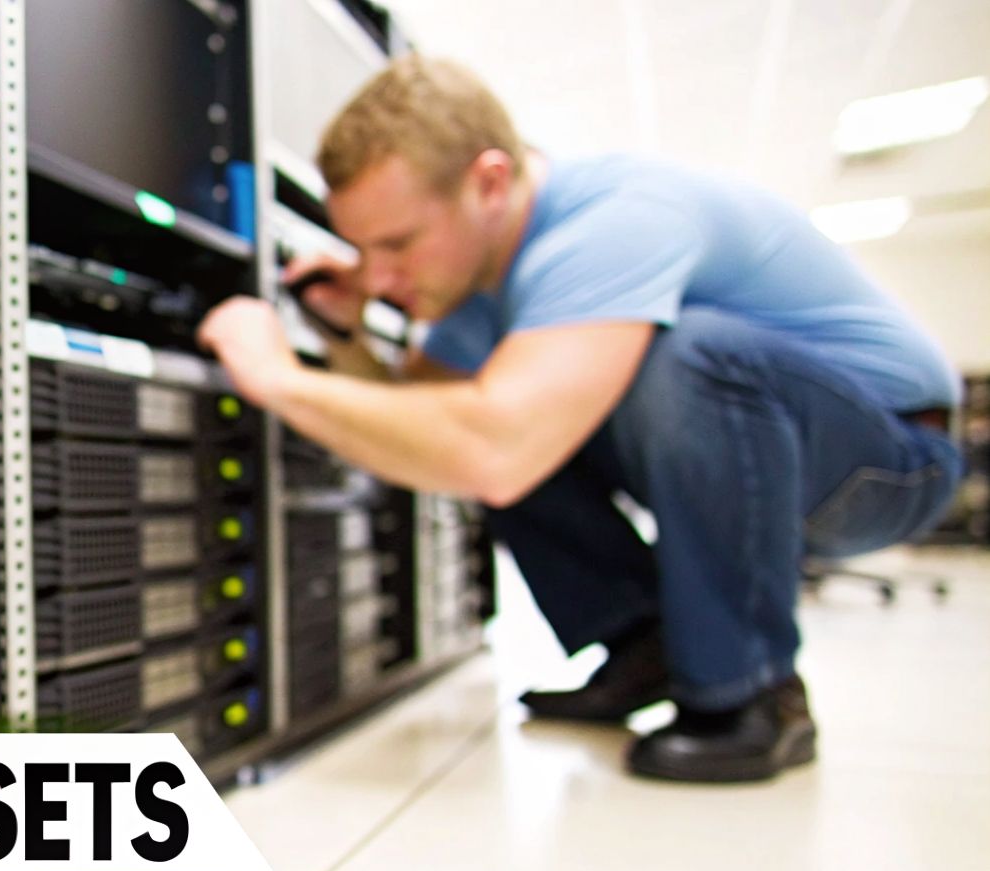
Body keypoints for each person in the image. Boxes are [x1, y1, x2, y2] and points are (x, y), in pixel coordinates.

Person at [196, 55, 963, 783]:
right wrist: (346, 336)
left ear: (490, 182)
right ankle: (643, 642)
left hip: (888, 460)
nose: (382, 277)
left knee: (683, 357)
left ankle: (754, 689)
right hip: (757, 457)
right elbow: (415, 427)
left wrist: (277, 379)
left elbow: (495, 447)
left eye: (398, 244)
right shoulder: (478, 286)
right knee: (482, 414)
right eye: (365, 251)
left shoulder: (613, 221)